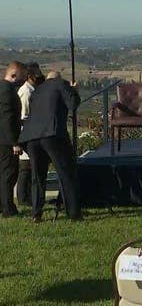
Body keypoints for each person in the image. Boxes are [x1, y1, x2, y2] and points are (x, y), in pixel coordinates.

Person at [19, 71, 82, 222]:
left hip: (31, 137)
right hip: (52, 134)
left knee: (38, 176)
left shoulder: (37, 90)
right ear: (58, 78)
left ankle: (36, 213)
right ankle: (73, 213)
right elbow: (73, 104)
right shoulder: (61, 84)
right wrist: (73, 91)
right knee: (65, 172)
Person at [16, 63, 45, 206]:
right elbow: (23, 116)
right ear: (29, 77)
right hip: (27, 133)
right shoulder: (26, 93)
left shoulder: (32, 90)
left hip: (31, 132)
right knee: (25, 168)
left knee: (29, 167)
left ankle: (27, 196)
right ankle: (23, 198)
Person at [0, 61, 26, 217]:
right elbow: (7, 118)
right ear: (14, 75)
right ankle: (8, 209)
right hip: (6, 141)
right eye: (21, 77)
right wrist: (14, 142)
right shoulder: (8, 91)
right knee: (9, 175)